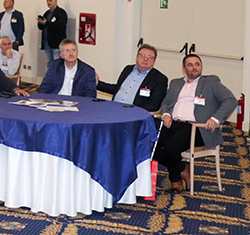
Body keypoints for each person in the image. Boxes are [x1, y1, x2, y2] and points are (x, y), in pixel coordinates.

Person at [154, 53, 237, 191]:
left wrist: (215, 119)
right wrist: (166, 114)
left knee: (170, 148)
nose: (194, 67)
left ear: (201, 67)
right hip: (174, 124)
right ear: (184, 69)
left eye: (197, 64)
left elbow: (231, 100)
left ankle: (175, 179)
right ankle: (182, 167)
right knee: (150, 144)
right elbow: (166, 103)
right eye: (190, 65)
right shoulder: (176, 83)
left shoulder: (211, 83)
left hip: (197, 128)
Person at [97, 44, 168, 111]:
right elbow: (117, 88)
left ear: (154, 61)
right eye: (142, 55)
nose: (145, 59)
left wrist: (133, 110)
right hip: (114, 108)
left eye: (150, 57)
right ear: (137, 57)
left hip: (134, 114)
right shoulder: (128, 69)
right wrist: (97, 83)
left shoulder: (160, 79)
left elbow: (154, 104)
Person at [38, 0, 67, 65]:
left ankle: (56, 73)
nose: (48, 3)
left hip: (56, 43)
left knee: (56, 62)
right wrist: (41, 22)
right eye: (47, 1)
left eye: (50, 1)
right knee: (49, 62)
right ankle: (50, 73)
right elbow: (41, 27)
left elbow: (60, 26)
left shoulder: (61, 13)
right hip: (47, 42)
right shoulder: (47, 13)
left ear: (56, 1)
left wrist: (47, 23)